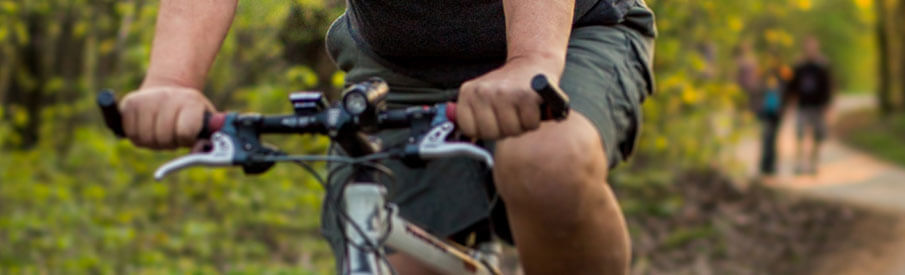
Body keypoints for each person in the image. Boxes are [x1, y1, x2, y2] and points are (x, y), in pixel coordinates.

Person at [109, 0, 654, 273]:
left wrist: (530, 59)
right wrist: (172, 81)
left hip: (568, 32)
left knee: (546, 161)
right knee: (392, 255)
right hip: (399, 69)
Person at [786, 37, 835, 175]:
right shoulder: (799, 65)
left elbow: (828, 86)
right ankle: (799, 164)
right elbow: (792, 85)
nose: (810, 49)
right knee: (800, 134)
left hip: (818, 106)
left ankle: (814, 164)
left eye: (813, 46)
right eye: (808, 46)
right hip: (803, 105)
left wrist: (828, 105)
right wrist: (790, 103)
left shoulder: (822, 65)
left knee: (817, 136)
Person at [737, 42, 784, 176]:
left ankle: (771, 165)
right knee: (765, 137)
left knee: (772, 137)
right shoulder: (762, 73)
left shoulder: (783, 72)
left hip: (776, 110)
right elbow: (753, 88)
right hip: (764, 109)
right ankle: (765, 165)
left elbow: (787, 90)